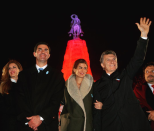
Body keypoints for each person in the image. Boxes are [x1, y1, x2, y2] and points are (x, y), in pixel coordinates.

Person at [93, 17, 152, 131]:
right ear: (102, 65)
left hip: (133, 125)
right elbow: (97, 112)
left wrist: (143, 35)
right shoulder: (97, 85)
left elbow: (137, 59)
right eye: (108, 60)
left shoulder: (125, 76)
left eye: (114, 59)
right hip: (110, 126)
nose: (112, 61)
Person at [16, 42, 65, 131]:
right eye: (40, 49)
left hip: (47, 125)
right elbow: (20, 99)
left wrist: (41, 117)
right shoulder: (23, 75)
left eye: (46, 50)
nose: (43, 51)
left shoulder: (57, 75)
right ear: (34, 54)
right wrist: (31, 121)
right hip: (27, 124)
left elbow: (56, 100)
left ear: (49, 55)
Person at [60, 59, 94, 131]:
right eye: (80, 67)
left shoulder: (91, 85)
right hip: (71, 123)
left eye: (85, 68)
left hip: (87, 123)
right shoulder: (67, 85)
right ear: (74, 69)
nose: (82, 70)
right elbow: (63, 103)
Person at [0, 60, 23, 131]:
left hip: (24, 124)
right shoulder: (3, 86)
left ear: (19, 69)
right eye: (9, 68)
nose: (12, 69)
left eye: (14, 67)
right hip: (8, 124)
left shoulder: (25, 85)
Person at [134, 62, 154, 130]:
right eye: (147, 71)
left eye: (153, 71)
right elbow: (135, 109)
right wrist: (149, 116)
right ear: (144, 75)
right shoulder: (138, 90)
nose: (150, 73)